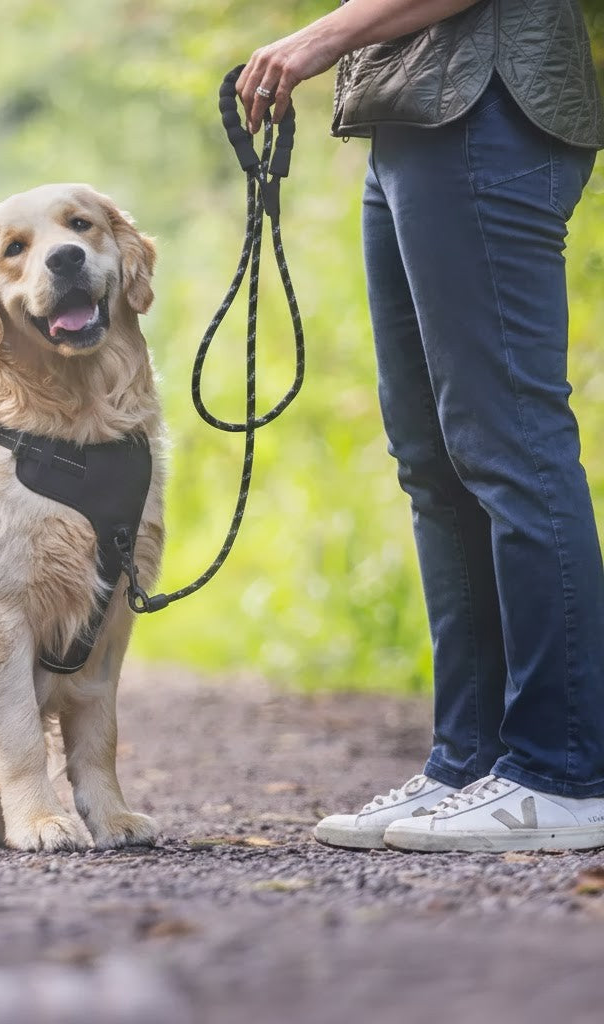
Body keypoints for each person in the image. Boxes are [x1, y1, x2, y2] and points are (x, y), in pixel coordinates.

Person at [237, 0, 604, 852]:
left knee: (510, 446)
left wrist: (316, 39)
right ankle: (471, 762)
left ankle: (564, 771)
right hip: (416, 117)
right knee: (434, 463)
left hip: (487, 111)